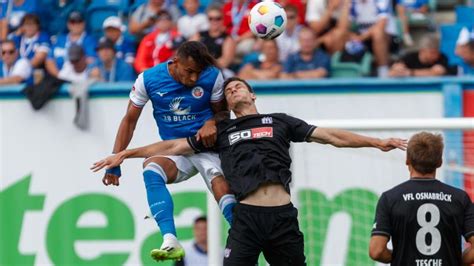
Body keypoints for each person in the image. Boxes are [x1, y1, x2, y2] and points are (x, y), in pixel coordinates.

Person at [92, 77, 408, 265]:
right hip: (246, 220)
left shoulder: (280, 121)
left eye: (239, 87)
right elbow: (172, 148)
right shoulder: (221, 130)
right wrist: (124, 154)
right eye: (229, 90)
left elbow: (332, 137)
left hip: (283, 218)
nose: (234, 90)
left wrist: (377, 142)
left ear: (252, 94)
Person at [99, 41, 236, 262]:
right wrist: (115, 161)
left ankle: (244, 234)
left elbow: (222, 115)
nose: (193, 79)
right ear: (175, 62)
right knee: (151, 169)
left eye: (197, 74)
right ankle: (170, 240)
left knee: (217, 180)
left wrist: (212, 121)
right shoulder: (149, 79)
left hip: (206, 147)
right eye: (189, 72)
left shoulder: (212, 76)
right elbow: (129, 121)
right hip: (175, 149)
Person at [369, 132, 474, 265]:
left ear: (407, 160)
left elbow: (376, 251)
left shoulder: (390, 198)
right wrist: (455, 260)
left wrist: (401, 258)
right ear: (440, 162)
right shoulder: (460, 198)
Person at [45, 11, 97, 77]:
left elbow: (92, 60)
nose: (76, 25)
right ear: (68, 24)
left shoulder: (90, 40)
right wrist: (59, 76)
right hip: (59, 78)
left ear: (84, 23)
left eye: (79, 22)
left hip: (81, 76)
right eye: (73, 22)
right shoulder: (60, 40)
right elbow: (49, 61)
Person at [190, 5, 236, 75]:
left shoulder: (227, 38)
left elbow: (225, 61)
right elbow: (187, 50)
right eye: (210, 18)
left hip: (221, 71)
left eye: (217, 18)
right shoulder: (199, 35)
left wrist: (205, 66)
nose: (214, 21)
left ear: (222, 19)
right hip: (199, 69)